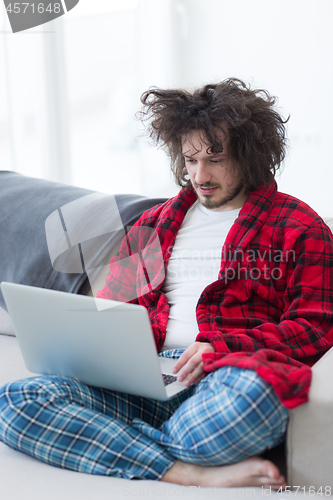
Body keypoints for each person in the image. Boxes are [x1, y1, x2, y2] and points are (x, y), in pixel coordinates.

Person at [1, 78, 333, 489]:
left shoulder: (300, 227)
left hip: (231, 376)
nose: (201, 174)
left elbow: (315, 327)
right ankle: (182, 470)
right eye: (191, 159)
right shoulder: (154, 224)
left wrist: (222, 347)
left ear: (250, 155)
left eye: (216, 158)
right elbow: (113, 310)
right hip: (148, 375)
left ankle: (125, 446)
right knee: (20, 401)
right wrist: (99, 351)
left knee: (247, 405)